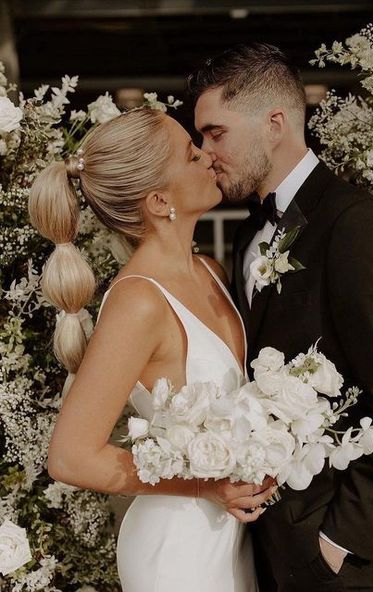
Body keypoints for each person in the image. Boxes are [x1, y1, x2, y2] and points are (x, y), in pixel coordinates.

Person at [189, 43, 373, 592]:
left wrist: (342, 543)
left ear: (275, 122)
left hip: (326, 551)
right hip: (256, 546)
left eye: (216, 133)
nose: (205, 152)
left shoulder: (357, 226)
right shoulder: (249, 235)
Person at [29, 107, 275, 592]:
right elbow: (71, 457)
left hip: (230, 535)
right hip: (176, 548)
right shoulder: (138, 301)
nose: (207, 156)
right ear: (160, 199)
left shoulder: (210, 272)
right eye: (190, 154)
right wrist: (203, 485)